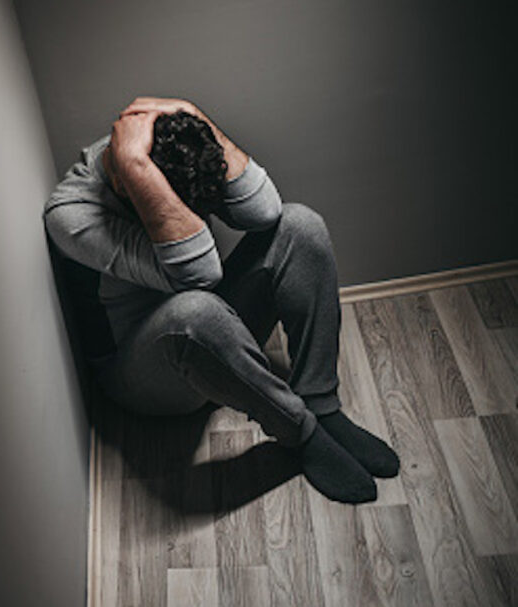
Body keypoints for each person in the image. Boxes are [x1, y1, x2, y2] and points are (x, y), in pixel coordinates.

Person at [42, 97, 399, 504]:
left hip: (212, 323)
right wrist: (138, 167)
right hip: (141, 374)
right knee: (195, 310)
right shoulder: (71, 214)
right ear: (126, 179)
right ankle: (301, 433)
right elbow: (199, 277)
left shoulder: (174, 147)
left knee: (301, 225)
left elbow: (266, 213)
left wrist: (197, 116)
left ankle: (321, 403)